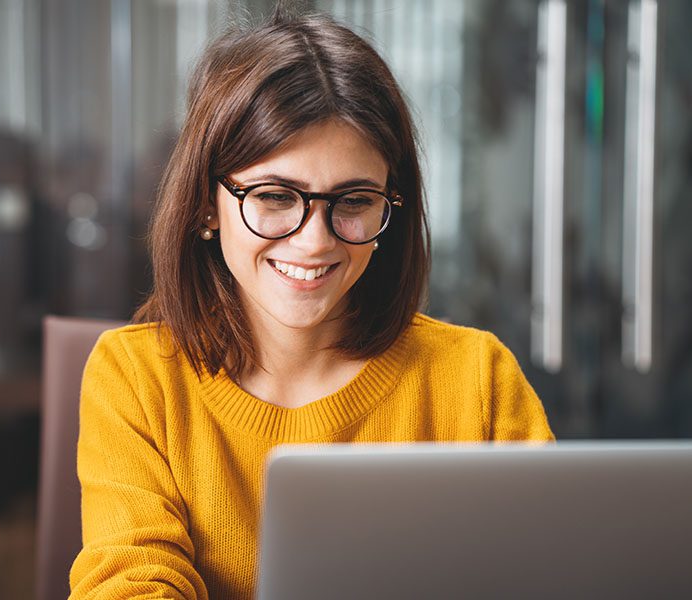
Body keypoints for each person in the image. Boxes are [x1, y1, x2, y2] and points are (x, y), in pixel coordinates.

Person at [68, 7, 553, 599]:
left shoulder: (477, 379)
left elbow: (546, 573)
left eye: (353, 200)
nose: (315, 240)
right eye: (275, 196)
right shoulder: (137, 379)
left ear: (389, 213)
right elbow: (129, 581)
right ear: (204, 205)